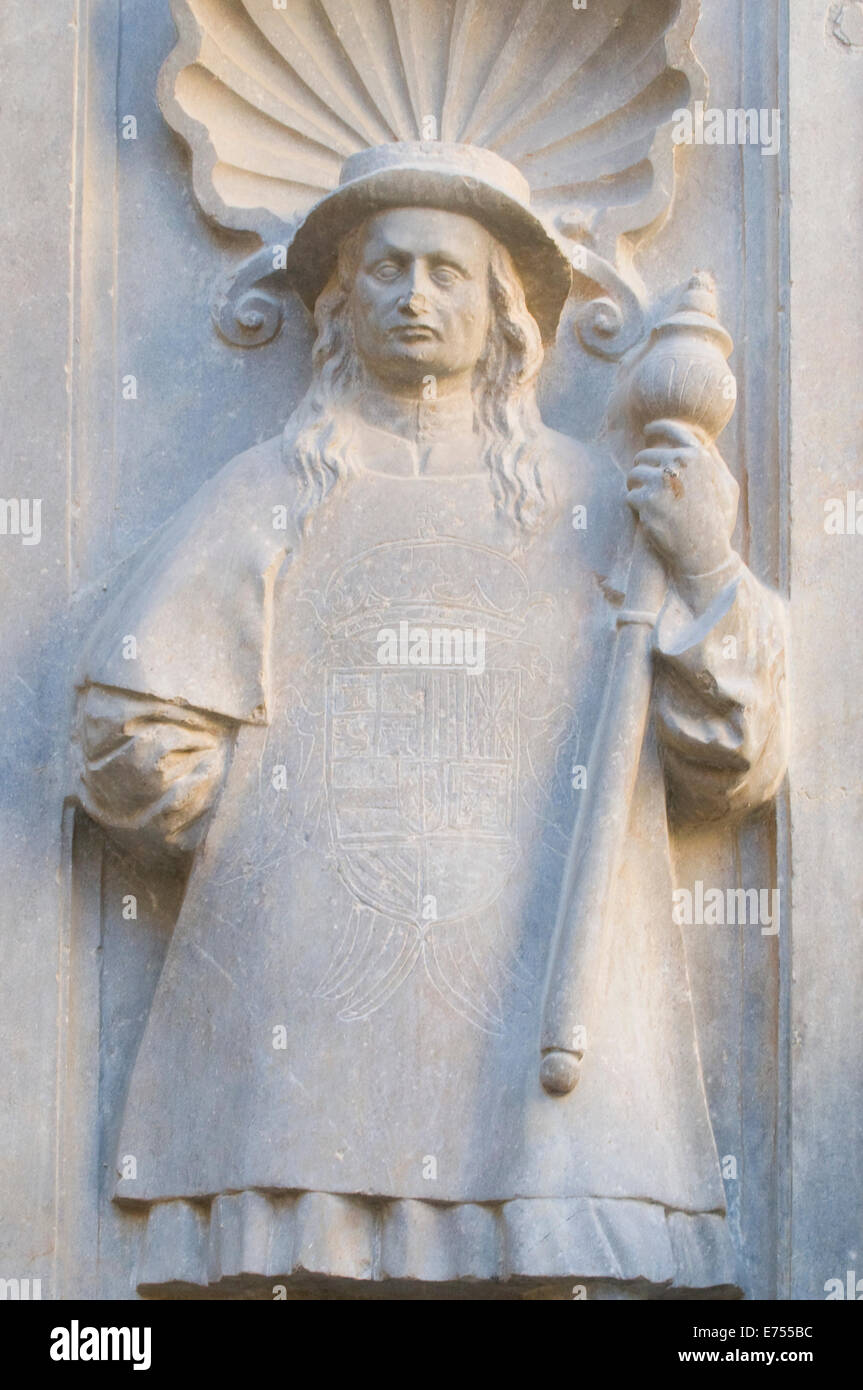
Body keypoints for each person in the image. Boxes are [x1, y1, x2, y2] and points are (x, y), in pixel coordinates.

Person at [76, 143, 787, 1298]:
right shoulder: (271, 493)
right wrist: (215, 802)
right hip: (304, 1017)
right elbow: (131, 733)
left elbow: (733, 759)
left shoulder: (598, 507)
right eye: (388, 268)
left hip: (541, 1027)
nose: (415, 295)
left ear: (501, 307)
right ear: (339, 300)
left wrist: (706, 566)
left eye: (448, 272)